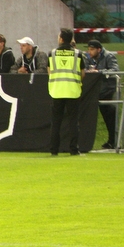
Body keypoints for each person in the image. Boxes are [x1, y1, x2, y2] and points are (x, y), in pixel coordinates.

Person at [48, 28, 86, 156]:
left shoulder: (52, 53)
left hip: (56, 91)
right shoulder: (77, 54)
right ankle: (74, 150)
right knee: (73, 122)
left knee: (56, 122)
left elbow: (49, 71)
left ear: (61, 39)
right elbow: (82, 73)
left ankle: (54, 150)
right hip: (72, 91)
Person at [85, 39, 120, 149]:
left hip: (108, 90)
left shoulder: (109, 56)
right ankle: (112, 141)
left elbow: (115, 70)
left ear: (99, 49)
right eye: (89, 49)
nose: (89, 52)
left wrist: (99, 72)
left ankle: (113, 141)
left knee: (110, 116)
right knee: (106, 116)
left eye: (92, 49)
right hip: (98, 90)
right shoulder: (89, 58)